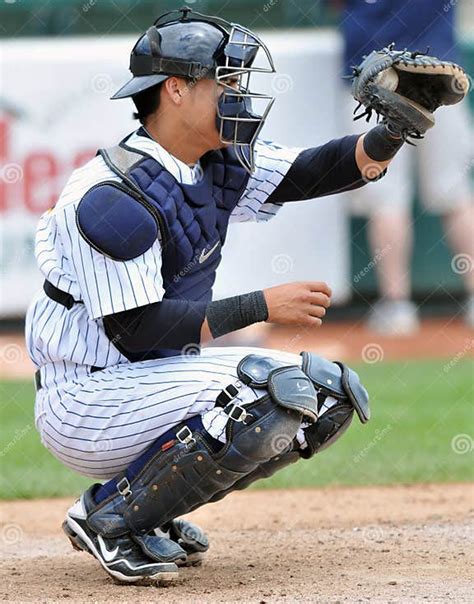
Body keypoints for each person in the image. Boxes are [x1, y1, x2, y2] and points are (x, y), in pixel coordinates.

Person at [24, 7, 457, 585]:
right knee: (270, 392)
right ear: (175, 90)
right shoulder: (112, 198)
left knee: (326, 396)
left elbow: (314, 171)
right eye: (224, 81)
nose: (238, 94)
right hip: (88, 398)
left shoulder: (213, 161)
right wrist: (260, 306)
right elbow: (135, 329)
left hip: (148, 381)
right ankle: (112, 519)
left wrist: (396, 130)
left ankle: (147, 506)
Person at [340, 0, 473, 334]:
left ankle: (396, 307)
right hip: (438, 74)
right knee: (454, 195)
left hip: (375, 75)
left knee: (387, 199)